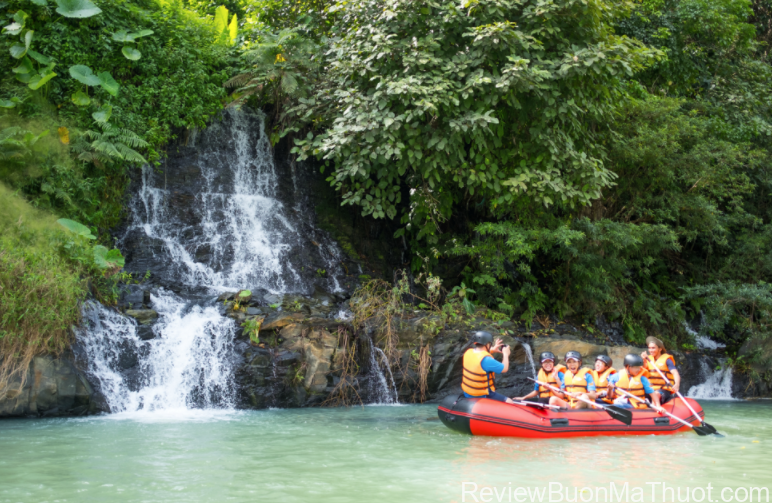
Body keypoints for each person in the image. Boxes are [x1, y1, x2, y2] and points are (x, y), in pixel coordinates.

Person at [461, 331, 514, 403]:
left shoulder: (468, 352)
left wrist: (492, 349)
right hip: (481, 395)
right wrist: (505, 354)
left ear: (475, 343)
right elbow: (504, 369)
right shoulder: (487, 360)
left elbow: (479, 354)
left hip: (468, 392)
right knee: (510, 402)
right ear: (487, 344)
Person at [640, 336, 680, 405]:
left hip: (663, 390)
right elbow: (642, 371)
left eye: (653, 348)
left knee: (656, 394)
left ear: (660, 349)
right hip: (649, 389)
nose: (651, 350)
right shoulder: (647, 359)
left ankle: (653, 411)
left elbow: (675, 373)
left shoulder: (667, 359)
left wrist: (677, 384)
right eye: (649, 348)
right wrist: (643, 360)